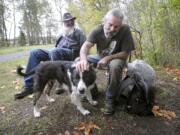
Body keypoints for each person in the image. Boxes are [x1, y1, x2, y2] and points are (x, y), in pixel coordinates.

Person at [75, 8, 135, 115]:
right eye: (110, 25)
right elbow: (85, 47)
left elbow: (125, 53)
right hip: (100, 57)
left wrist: (108, 58)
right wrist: (83, 59)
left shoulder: (125, 30)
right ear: (104, 22)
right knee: (79, 60)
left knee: (115, 66)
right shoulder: (97, 30)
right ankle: (92, 90)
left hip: (118, 58)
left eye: (116, 27)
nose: (112, 29)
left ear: (121, 25)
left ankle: (110, 99)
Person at [14, 12, 86, 100]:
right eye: (66, 21)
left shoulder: (79, 32)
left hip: (70, 54)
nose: (69, 23)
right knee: (34, 52)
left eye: (71, 20)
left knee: (54, 51)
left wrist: (80, 59)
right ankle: (28, 85)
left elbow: (84, 48)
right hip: (55, 52)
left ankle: (60, 81)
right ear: (64, 22)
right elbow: (56, 47)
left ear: (73, 20)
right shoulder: (61, 33)